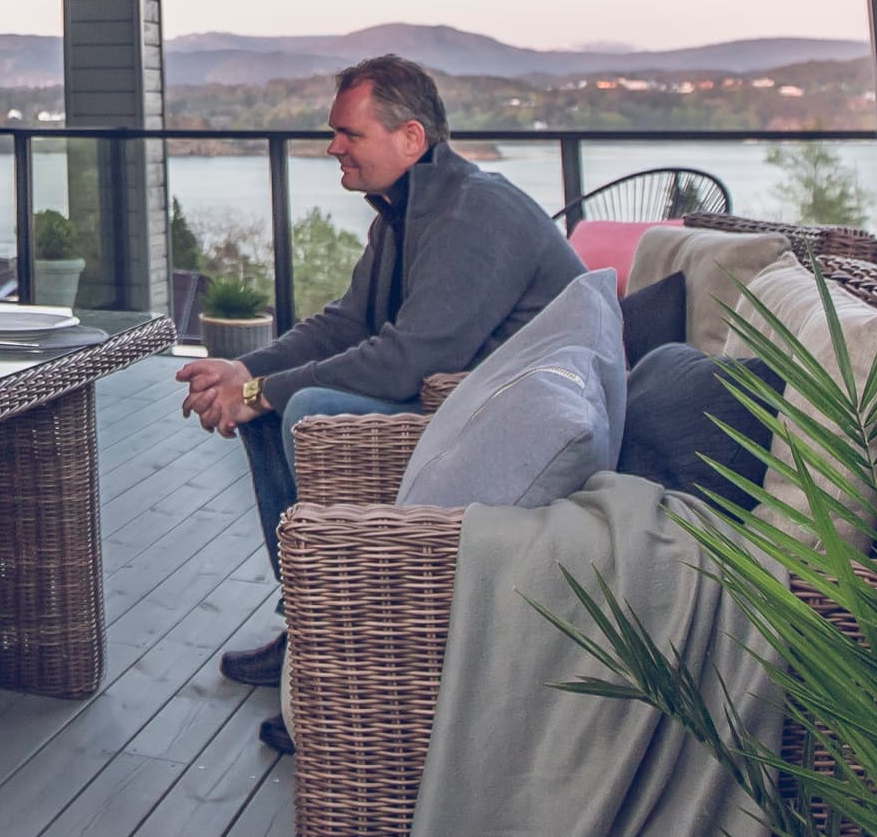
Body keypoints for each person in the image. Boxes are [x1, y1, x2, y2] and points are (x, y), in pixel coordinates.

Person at [178, 55, 583, 738]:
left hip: (513, 425)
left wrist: (262, 390)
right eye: (333, 133)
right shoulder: (405, 211)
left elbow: (407, 359)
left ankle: (338, 658)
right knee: (270, 407)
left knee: (303, 410)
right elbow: (346, 324)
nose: (333, 147)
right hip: (458, 399)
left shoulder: (476, 213)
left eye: (350, 134)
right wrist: (244, 370)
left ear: (411, 137)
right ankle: (310, 625)